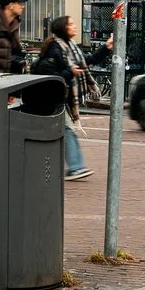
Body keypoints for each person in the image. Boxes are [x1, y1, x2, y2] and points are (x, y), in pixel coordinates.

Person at [32, 14, 92, 181]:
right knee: (64, 130)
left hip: (58, 98)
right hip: (48, 98)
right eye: (70, 24)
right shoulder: (55, 49)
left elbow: (85, 61)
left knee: (60, 131)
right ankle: (75, 167)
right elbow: (50, 74)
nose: (74, 26)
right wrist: (69, 72)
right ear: (63, 29)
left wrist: (107, 49)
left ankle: (74, 167)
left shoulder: (70, 47)